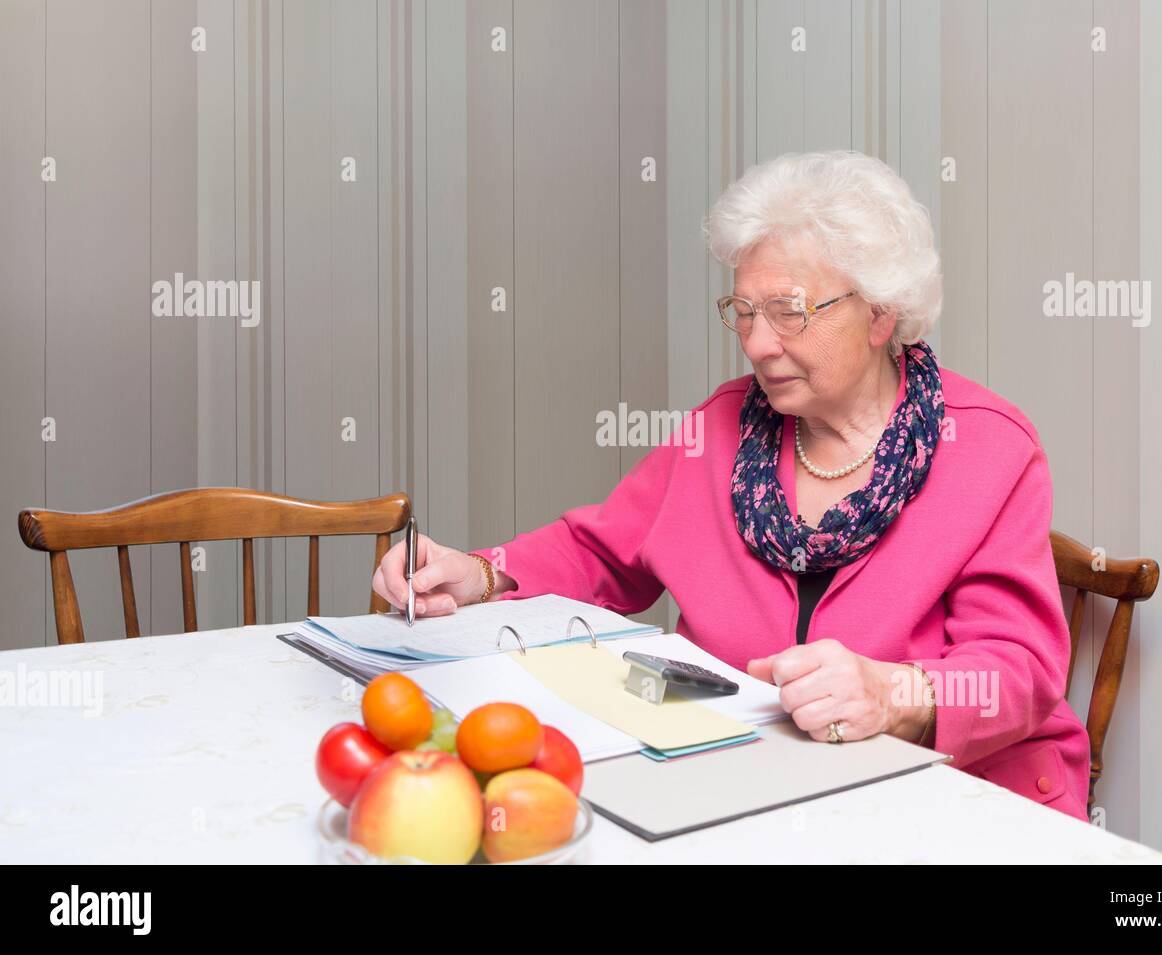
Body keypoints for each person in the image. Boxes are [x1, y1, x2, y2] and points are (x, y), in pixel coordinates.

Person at [373, 150, 1090, 821]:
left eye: (789, 311)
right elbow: (601, 551)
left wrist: (893, 692)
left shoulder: (991, 449)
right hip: (752, 791)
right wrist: (480, 572)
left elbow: (1019, 672)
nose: (757, 343)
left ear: (880, 312)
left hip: (947, 801)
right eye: (744, 312)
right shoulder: (720, 429)